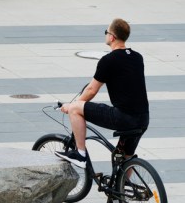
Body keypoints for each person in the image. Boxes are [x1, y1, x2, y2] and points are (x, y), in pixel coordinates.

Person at [56, 18, 150, 168]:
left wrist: (72, 105)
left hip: (123, 117)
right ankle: (123, 187)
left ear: (111, 37)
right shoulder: (137, 57)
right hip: (143, 118)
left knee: (75, 108)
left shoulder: (109, 60)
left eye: (106, 32)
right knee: (124, 158)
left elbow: (91, 90)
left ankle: (80, 154)